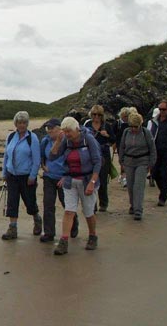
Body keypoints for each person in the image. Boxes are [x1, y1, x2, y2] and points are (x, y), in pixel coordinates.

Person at [50, 117, 102, 255]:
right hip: (70, 180)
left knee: (88, 211)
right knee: (69, 211)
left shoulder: (88, 140)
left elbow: (97, 161)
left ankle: (92, 235)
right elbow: (52, 157)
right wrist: (58, 141)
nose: (67, 134)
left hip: (87, 180)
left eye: (69, 131)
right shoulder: (66, 141)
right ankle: (64, 241)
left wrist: (92, 182)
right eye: (65, 131)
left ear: (76, 129)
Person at [1, 111, 42, 240]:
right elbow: (6, 156)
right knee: (12, 202)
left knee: (30, 202)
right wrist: (4, 173)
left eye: (24, 122)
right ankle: (12, 228)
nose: (22, 125)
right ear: (16, 123)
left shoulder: (32, 138)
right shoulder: (11, 136)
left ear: (27, 123)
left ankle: (36, 218)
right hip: (12, 175)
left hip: (27, 176)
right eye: (19, 122)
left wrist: (32, 175)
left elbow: (37, 159)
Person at [39, 118, 78, 242]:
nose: (49, 131)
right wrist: (43, 165)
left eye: (51, 128)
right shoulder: (45, 141)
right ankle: (49, 233)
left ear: (59, 129)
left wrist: (65, 177)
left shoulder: (67, 142)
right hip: (49, 177)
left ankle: (73, 225)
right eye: (47, 128)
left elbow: (72, 161)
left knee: (66, 204)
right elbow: (41, 156)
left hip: (64, 177)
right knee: (48, 204)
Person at [118, 112, 157, 220]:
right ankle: (133, 205)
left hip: (142, 161)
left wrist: (151, 163)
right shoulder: (126, 132)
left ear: (140, 125)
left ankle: (138, 210)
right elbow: (122, 146)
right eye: (131, 126)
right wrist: (121, 160)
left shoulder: (146, 133)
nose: (133, 129)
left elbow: (152, 149)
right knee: (130, 186)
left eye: (136, 126)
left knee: (138, 186)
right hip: (129, 161)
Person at [83, 105, 115, 211]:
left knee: (102, 180)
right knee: (90, 179)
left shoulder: (107, 126)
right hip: (90, 154)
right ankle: (93, 204)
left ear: (102, 116)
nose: (96, 117)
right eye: (94, 114)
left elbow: (114, 139)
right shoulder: (87, 124)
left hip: (103, 155)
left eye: (99, 115)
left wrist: (107, 136)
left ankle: (104, 203)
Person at [113, 107, 132, 187]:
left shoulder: (131, 124)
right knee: (122, 161)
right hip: (120, 145)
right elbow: (113, 135)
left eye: (127, 116)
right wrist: (114, 145)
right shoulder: (117, 123)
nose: (125, 118)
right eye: (124, 116)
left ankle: (125, 177)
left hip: (129, 145)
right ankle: (123, 176)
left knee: (127, 161)